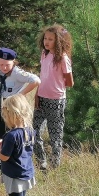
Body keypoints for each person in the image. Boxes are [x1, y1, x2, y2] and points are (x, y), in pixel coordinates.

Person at [0, 48, 41, 171]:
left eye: (7, 64)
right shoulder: (2, 72)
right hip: (5, 107)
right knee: (2, 134)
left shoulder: (17, 73)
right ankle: (0, 164)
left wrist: (20, 94)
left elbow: (36, 80)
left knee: (3, 135)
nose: (3, 67)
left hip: (14, 109)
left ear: (13, 62)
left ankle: (3, 164)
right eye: (1, 64)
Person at [32, 24, 74, 170]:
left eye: (51, 39)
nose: (47, 42)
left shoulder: (62, 58)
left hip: (56, 101)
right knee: (34, 131)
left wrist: (56, 88)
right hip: (41, 98)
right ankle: (41, 162)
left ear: (59, 41)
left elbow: (69, 81)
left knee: (55, 134)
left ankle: (55, 165)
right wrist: (37, 94)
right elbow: (42, 76)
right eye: (45, 38)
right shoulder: (44, 54)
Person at [0, 94, 36, 196]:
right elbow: (20, 150)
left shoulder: (11, 135)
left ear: (12, 115)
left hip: (14, 176)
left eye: (5, 116)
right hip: (25, 172)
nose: (5, 119)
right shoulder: (30, 131)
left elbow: (4, 157)